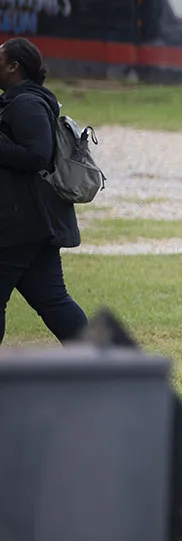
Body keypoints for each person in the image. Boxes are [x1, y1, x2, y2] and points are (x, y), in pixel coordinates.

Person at [0, 38, 88, 345]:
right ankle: (101, 370)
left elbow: (38, 154)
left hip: (19, 225)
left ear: (14, 67)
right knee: (54, 302)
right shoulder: (17, 100)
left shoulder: (27, 104)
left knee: (55, 302)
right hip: (31, 223)